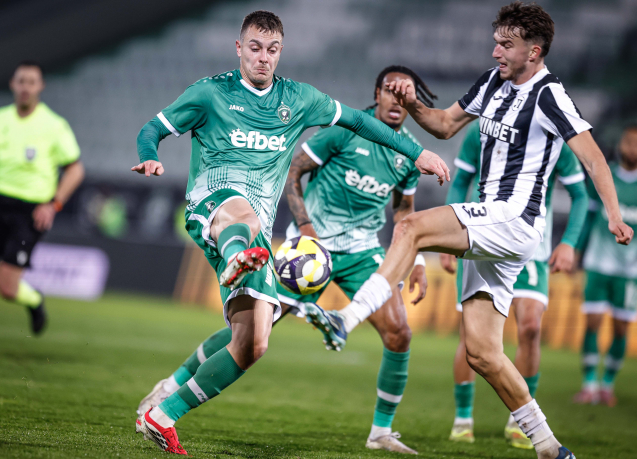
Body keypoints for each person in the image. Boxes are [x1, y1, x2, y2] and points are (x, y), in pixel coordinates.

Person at [304, 3, 633, 459]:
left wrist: (614, 214)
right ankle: (549, 447)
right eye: (495, 41)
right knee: (482, 353)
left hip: (514, 219)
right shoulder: (492, 81)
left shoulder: (550, 95)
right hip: (492, 225)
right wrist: (413, 103)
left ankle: (347, 319)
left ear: (534, 51)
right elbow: (443, 125)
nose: (495, 50)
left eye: (506, 44)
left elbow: (594, 159)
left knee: (411, 226)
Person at [132, 11, 449, 455]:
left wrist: (417, 154)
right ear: (239, 48)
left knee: (252, 343)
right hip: (215, 207)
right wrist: (149, 154)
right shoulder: (209, 93)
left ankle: (163, 411)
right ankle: (236, 256)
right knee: (243, 216)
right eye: (255, 48)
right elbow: (153, 128)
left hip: (283, 242)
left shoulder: (299, 98)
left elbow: (359, 123)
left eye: (272, 49)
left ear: (281, 52)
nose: (263, 57)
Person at [441, 120, 588, 447]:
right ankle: (463, 418)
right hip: (481, 242)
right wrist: (449, 239)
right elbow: (460, 181)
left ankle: (520, 421)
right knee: (471, 337)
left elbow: (580, 195)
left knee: (531, 328)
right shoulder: (480, 129)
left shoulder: (553, 138)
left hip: (530, 246)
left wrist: (569, 242)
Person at [0, 61, 85, 335]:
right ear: (13, 84)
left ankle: (34, 299)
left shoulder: (54, 125)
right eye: (21, 81)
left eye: (31, 82)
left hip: (29, 211)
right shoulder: (2, 118)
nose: (25, 87)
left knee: (7, 288)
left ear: (40, 87)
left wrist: (53, 204)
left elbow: (75, 170)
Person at [573, 123, 637, 406]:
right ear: (621, 144)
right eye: (628, 142)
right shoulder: (603, 174)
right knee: (592, 323)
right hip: (598, 263)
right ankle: (589, 384)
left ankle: (607, 385)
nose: (632, 148)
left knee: (621, 328)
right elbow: (588, 214)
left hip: (630, 270)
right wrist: (576, 248)